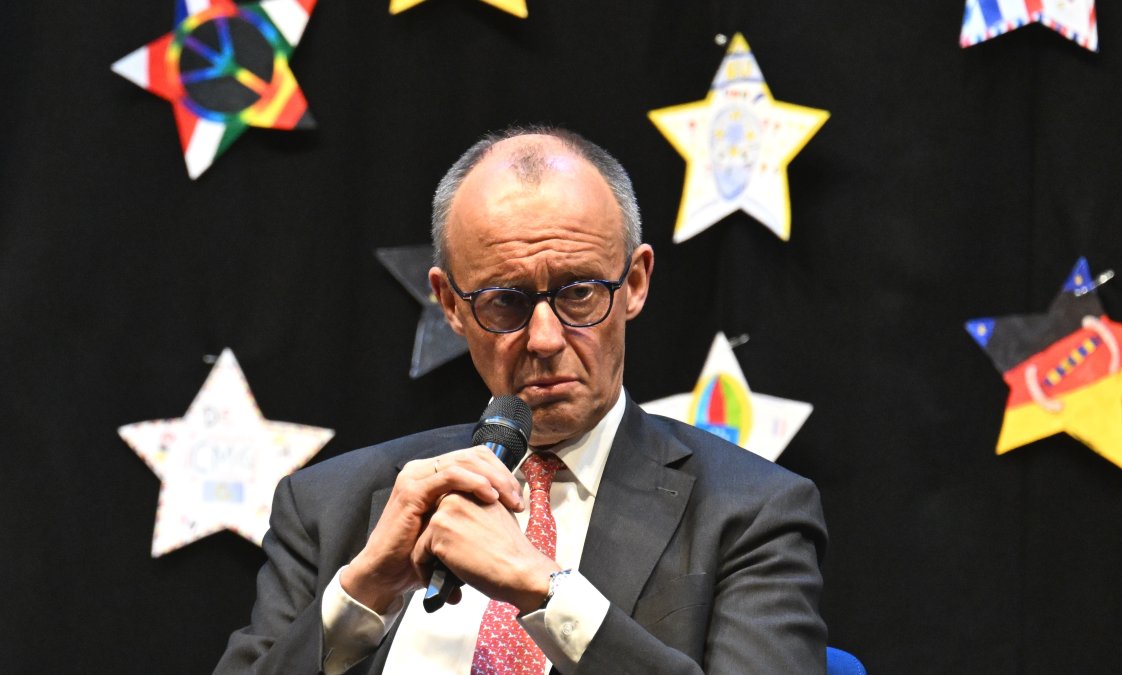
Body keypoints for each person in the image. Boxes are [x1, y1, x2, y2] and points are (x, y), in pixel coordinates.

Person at [215, 126, 828, 674]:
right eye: (505, 302)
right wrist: (358, 597)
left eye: (580, 293)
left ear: (635, 283)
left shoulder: (751, 513)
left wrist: (546, 592)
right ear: (451, 305)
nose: (544, 338)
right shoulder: (328, 506)